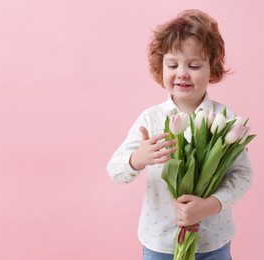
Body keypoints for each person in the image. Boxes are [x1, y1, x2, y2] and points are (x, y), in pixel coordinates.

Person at [107, 9, 253, 260]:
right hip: (160, 243)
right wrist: (138, 158)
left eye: (194, 65)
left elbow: (242, 174)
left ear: (212, 68)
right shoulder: (151, 119)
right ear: (160, 67)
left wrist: (210, 206)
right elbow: (115, 171)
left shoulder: (224, 118)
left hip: (212, 242)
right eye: (172, 65)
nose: (183, 73)